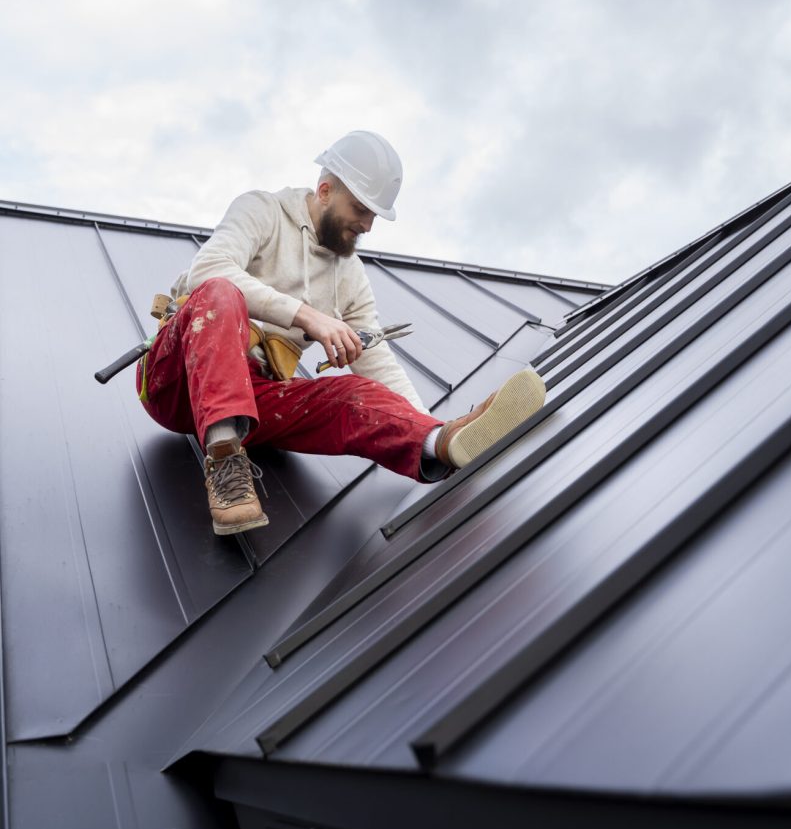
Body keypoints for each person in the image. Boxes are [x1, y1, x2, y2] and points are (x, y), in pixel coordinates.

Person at [137, 130, 546, 535]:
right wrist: (308, 317)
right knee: (220, 292)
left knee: (352, 395)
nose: (367, 224)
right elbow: (208, 270)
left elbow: (378, 362)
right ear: (326, 190)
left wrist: (420, 423)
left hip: (253, 400)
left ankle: (442, 443)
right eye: (361, 208)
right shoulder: (261, 210)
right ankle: (226, 465)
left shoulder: (350, 277)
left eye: (374, 215)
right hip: (177, 381)